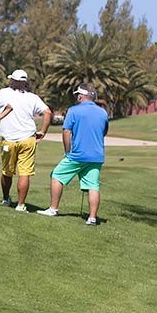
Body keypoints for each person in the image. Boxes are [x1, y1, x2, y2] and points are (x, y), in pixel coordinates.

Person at [38, 82, 108, 225]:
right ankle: (92, 218)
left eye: (78, 95)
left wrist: (67, 151)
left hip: (77, 154)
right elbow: (104, 131)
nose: (77, 97)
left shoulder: (73, 111)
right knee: (93, 185)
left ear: (82, 96)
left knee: (57, 175)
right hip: (96, 155)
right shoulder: (103, 112)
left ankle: (53, 209)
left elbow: (66, 131)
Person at [0, 69, 52, 211]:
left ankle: (6, 199)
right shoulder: (32, 97)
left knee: (7, 172)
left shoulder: (2, 93)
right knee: (24, 172)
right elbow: (47, 112)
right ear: (26, 83)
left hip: (8, 140)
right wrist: (43, 131)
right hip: (28, 139)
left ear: (11, 80)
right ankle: (21, 204)